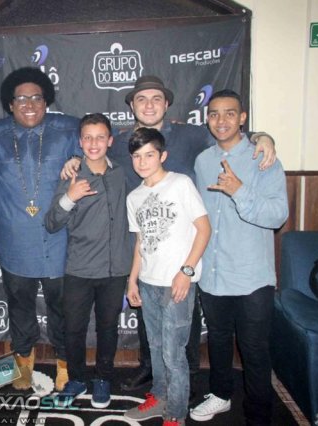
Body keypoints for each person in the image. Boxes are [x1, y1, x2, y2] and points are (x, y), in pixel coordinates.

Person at [61, 75, 276, 395]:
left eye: (156, 99)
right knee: (149, 319)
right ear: (132, 106)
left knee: (183, 321)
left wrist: (262, 136)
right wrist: (76, 159)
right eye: (141, 99)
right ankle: (150, 370)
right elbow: (94, 151)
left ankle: (186, 379)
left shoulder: (191, 135)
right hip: (143, 244)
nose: (149, 105)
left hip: (184, 249)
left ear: (167, 104)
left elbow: (227, 133)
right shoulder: (121, 142)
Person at [0, 67, 81, 391]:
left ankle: (65, 366)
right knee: (20, 310)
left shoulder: (70, 129)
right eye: (21, 99)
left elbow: (105, 145)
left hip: (60, 244)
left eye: (36, 98)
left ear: (46, 101)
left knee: (63, 310)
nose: (29, 105)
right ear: (10, 104)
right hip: (15, 245)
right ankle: (22, 365)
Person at [190, 90, 288, 425]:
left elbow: (277, 215)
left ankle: (259, 415)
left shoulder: (263, 157)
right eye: (214, 114)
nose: (221, 120)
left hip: (251, 276)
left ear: (243, 118)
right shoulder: (203, 161)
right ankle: (220, 395)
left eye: (229, 113)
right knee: (218, 339)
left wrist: (239, 190)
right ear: (207, 119)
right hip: (213, 273)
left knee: (254, 349)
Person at [123, 128, 211, 426]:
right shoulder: (134, 197)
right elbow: (140, 242)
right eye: (137, 156)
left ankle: (175, 413)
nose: (143, 162)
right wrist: (132, 280)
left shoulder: (180, 183)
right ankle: (160, 398)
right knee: (157, 348)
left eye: (149, 155)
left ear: (163, 156)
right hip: (148, 283)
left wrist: (186, 271)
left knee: (174, 353)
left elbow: (204, 229)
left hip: (177, 283)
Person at [44, 113, 131, 408]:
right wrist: (70, 197)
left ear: (110, 140)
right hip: (79, 268)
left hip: (115, 269)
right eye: (88, 138)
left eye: (100, 137)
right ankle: (77, 379)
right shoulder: (71, 175)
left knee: (108, 328)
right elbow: (51, 223)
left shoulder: (122, 172)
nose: (94, 143)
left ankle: (103, 379)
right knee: (73, 329)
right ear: (80, 142)